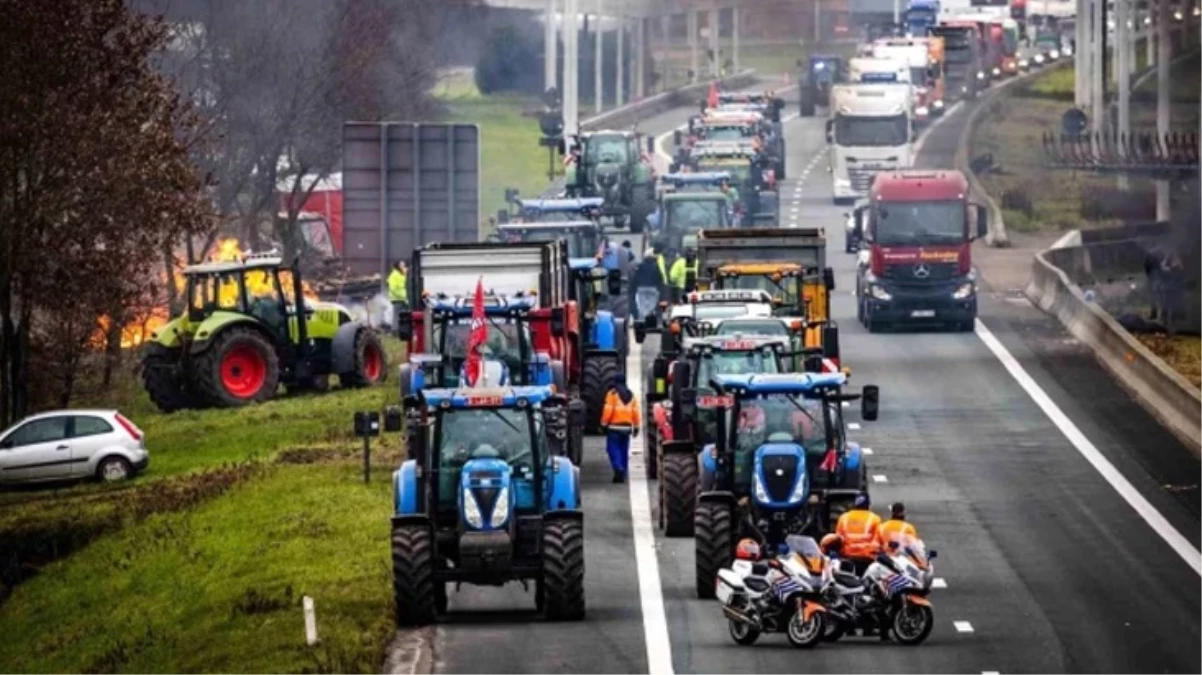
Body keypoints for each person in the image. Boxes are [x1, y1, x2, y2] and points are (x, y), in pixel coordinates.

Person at [601, 374, 641, 483]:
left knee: (612, 449)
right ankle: (622, 473)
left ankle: (618, 467)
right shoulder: (630, 395)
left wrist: (603, 424)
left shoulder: (612, 394)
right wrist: (636, 426)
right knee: (624, 450)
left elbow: (608, 410)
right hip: (627, 428)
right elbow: (635, 412)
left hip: (614, 427)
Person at [834, 493, 882, 574]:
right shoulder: (875, 519)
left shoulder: (843, 518)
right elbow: (878, 542)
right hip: (866, 559)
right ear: (868, 505)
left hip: (847, 557)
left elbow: (837, 539)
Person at [388, 259, 408, 331]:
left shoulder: (401, 274)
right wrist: (404, 296)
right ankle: (395, 331)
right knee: (397, 316)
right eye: (402, 265)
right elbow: (393, 289)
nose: (404, 266)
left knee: (402, 316)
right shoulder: (394, 275)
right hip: (397, 299)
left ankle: (401, 330)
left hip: (403, 299)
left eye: (404, 265)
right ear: (398, 266)